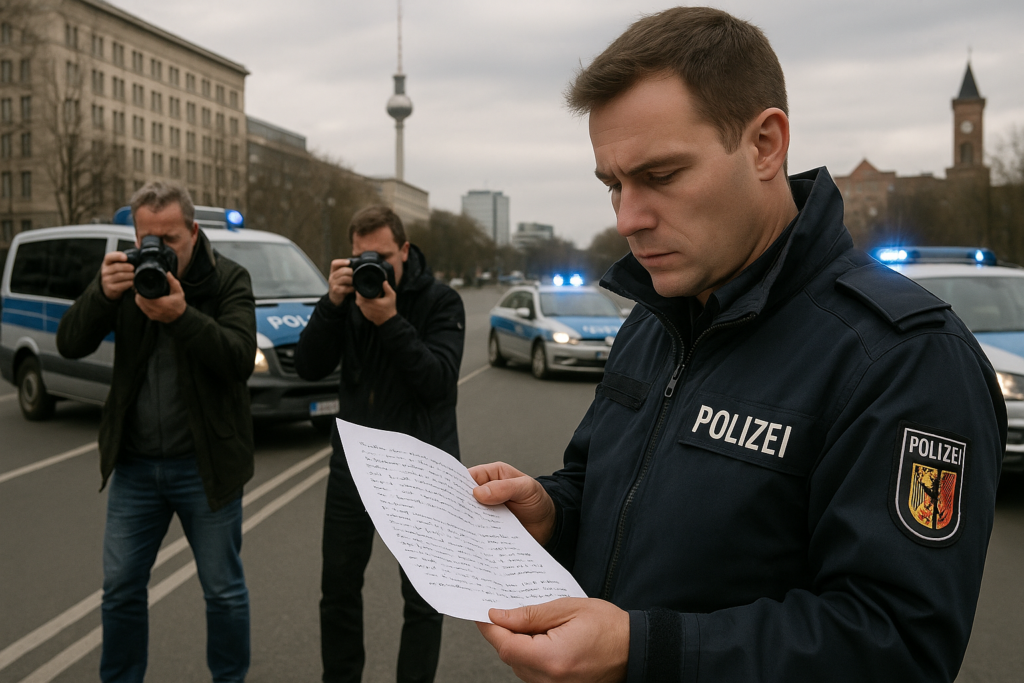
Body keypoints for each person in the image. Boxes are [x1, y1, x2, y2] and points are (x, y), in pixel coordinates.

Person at [469, 7, 1006, 682]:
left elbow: (897, 644)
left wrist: (642, 650)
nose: (628, 218)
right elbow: (605, 483)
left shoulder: (903, 359)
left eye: (660, 175)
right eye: (613, 184)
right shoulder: (658, 316)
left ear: (765, 145)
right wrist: (553, 509)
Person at [56, 182, 256, 683]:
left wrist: (183, 315)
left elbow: (238, 360)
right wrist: (100, 294)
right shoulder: (125, 277)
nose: (160, 251)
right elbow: (70, 342)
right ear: (135, 234)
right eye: (149, 238)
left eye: (170, 239)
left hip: (205, 465)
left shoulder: (229, 279)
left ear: (193, 231)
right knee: (120, 589)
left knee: (223, 591)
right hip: (137, 466)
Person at [294, 205, 466, 683]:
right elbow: (308, 366)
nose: (371, 265)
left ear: (405, 251)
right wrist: (330, 305)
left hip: (422, 473)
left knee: (424, 602)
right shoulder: (345, 300)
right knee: (339, 592)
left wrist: (389, 321)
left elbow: (438, 386)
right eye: (361, 256)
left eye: (382, 256)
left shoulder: (441, 301)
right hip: (354, 468)